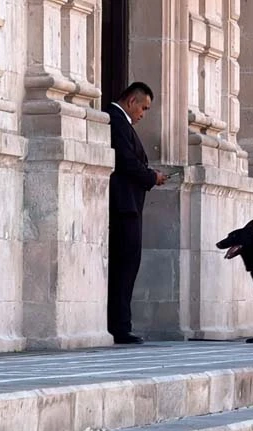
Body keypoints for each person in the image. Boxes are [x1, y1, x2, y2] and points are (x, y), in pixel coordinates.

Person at [106, 82, 166, 344]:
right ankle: (120, 327)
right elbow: (126, 161)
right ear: (132, 101)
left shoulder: (122, 122)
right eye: (144, 108)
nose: (143, 114)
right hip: (123, 207)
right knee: (124, 266)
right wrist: (152, 177)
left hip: (129, 206)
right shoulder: (116, 119)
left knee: (128, 266)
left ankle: (121, 324)